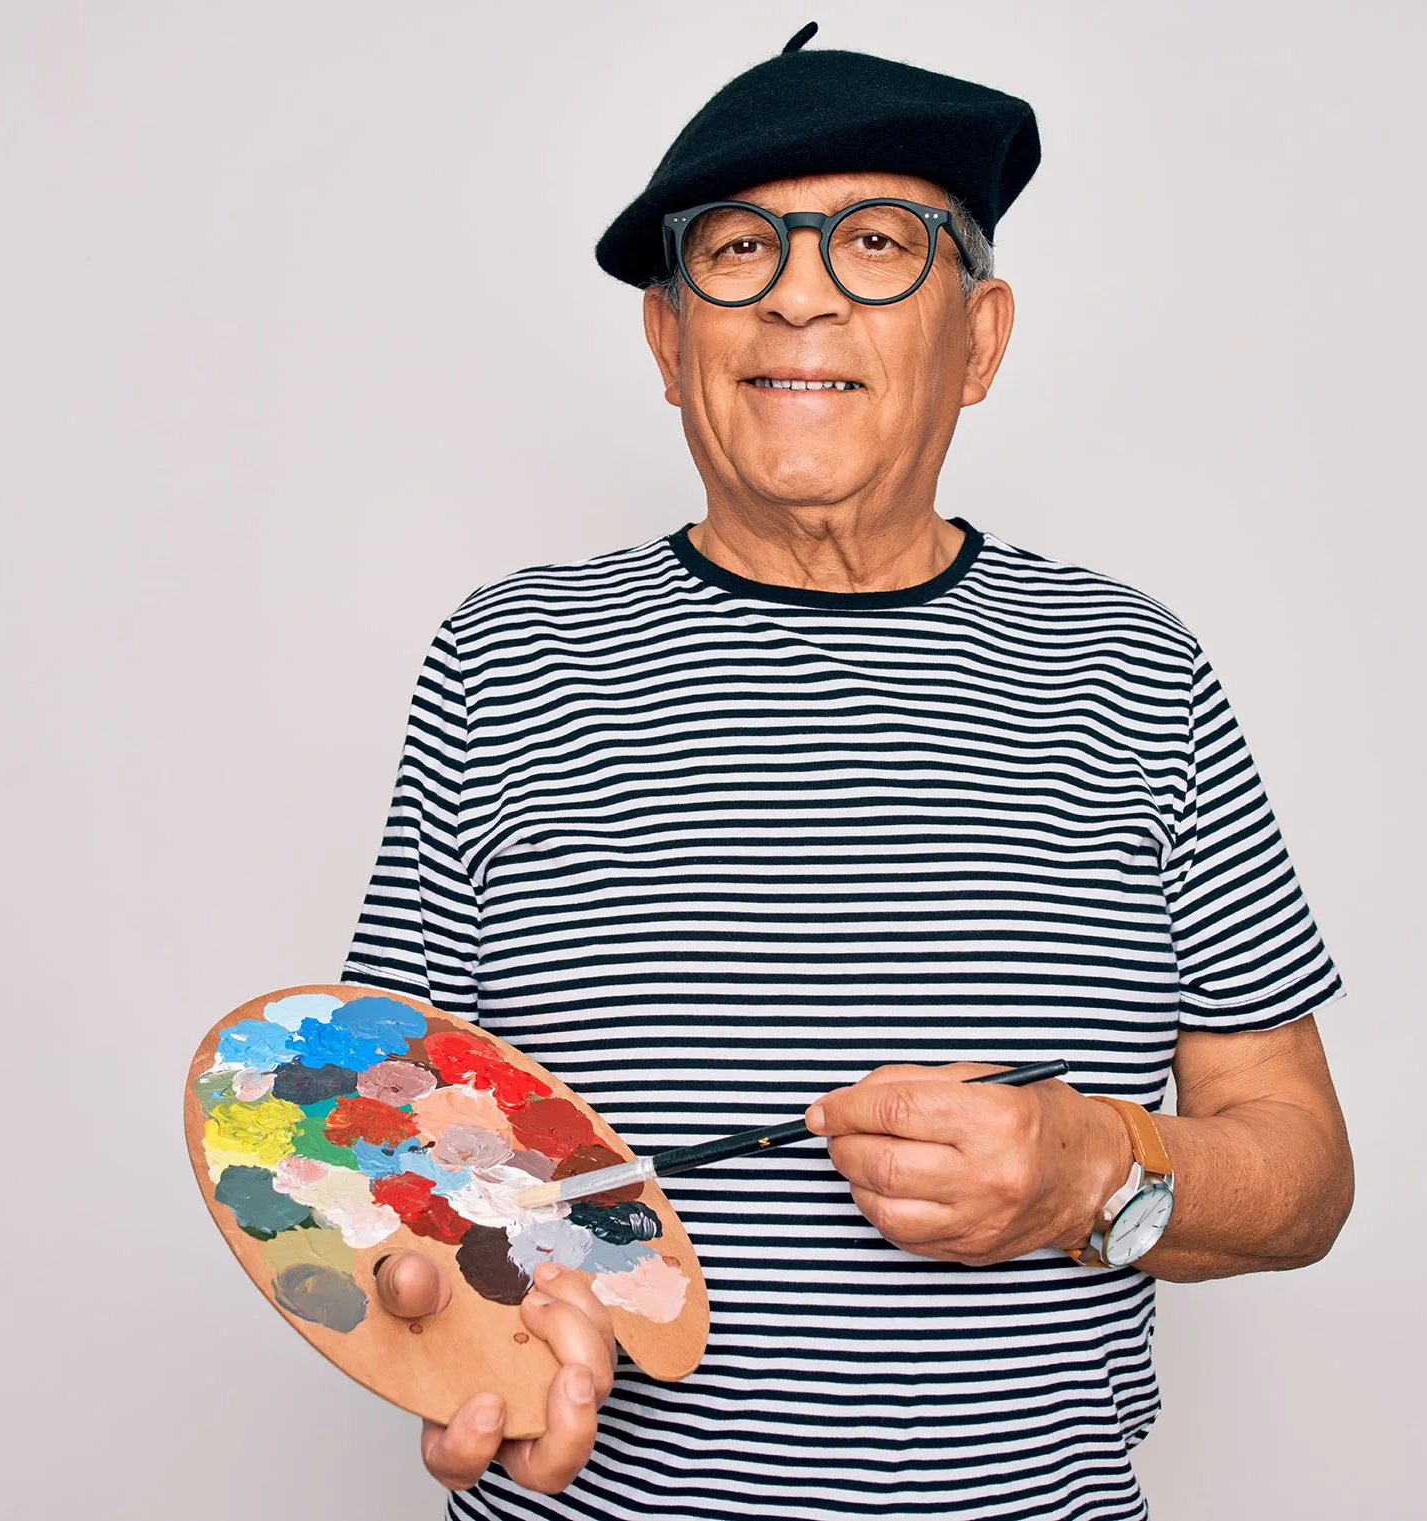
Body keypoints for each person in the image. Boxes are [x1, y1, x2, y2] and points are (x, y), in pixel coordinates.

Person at [344, 25, 1354, 1521]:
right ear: (671, 342)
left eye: (879, 243)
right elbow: (383, 1143)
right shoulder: (507, 664)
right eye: (739, 250)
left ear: (983, 337)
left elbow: (1303, 1171)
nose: (802, 291)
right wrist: (467, 1323)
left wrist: (1094, 1167)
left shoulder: (1135, 670)